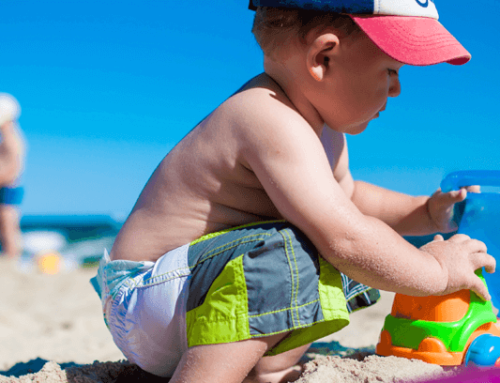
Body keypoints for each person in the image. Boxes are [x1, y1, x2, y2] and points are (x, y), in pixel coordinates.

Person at [91, 1, 496, 382]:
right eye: (391, 70)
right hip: (148, 301)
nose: (396, 90)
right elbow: (347, 235)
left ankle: (261, 370)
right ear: (323, 58)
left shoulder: (324, 134)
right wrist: (437, 273)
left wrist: (424, 212)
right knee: (309, 249)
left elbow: (349, 199)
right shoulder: (266, 115)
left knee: (323, 243)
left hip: (192, 303)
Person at [0, 93, 25, 258]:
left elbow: (14, 168)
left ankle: (12, 257)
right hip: (8, 185)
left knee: (8, 224)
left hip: (8, 186)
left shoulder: (11, 138)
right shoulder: (10, 137)